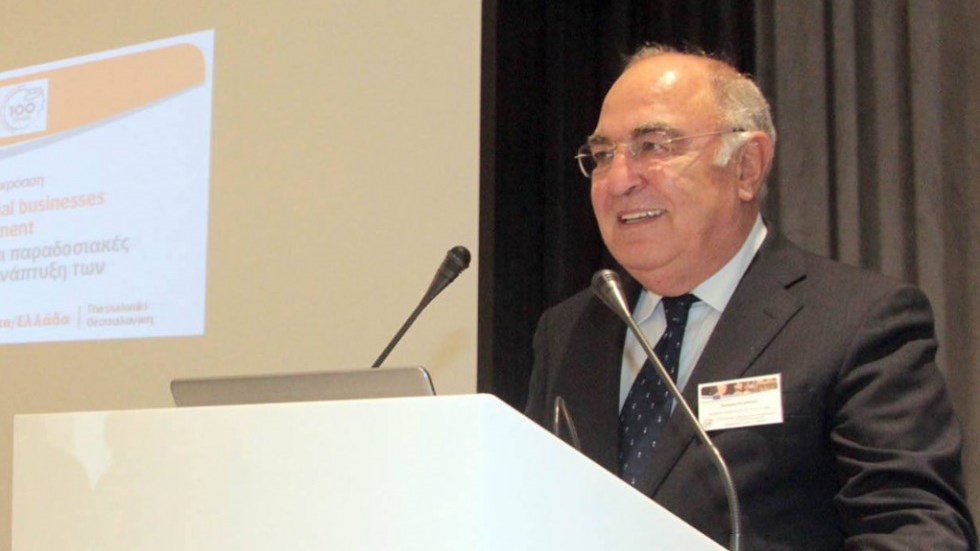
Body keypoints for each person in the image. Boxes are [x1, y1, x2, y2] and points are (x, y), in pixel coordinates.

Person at [524, 44, 977, 549]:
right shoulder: (569, 332)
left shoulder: (857, 323)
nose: (619, 180)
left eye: (653, 146)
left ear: (746, 167)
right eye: (604, 155)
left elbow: (919, 534)